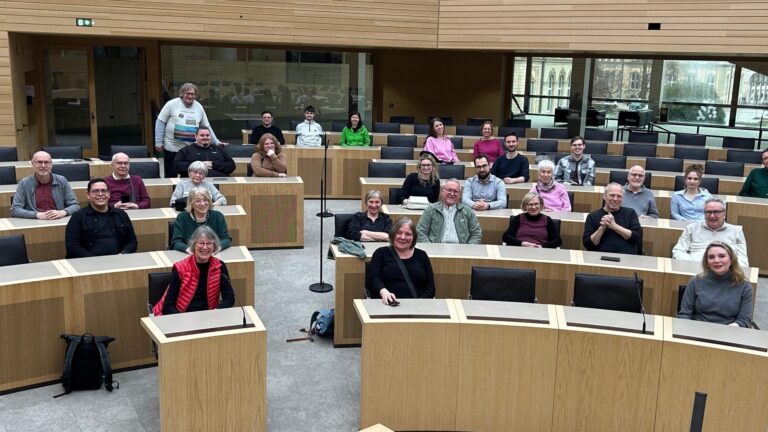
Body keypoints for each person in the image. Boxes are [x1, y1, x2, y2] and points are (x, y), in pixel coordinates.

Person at [153, 226, 235, 316]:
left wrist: (216, 312)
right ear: (194, 245)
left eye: (209, 243)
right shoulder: (180, 268)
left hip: (209, 316)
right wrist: (184, 320)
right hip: (183, 316)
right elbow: (168, 307)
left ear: (214, 246)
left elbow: (229, 298)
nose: (205, 247)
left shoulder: (219, 266)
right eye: (201, 243)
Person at [155, 83, 226, 177]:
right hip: (172, 148)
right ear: (182, 94)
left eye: (192, 94)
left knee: (189, 175)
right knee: (171, 175)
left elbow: (206, 126)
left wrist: (216, 142)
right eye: (187, 93)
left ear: (195, 95)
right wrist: (158, 142)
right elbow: (160, 122)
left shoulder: (199, 107)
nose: (190, 96)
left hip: (189, 150)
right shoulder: (171, 104)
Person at [678, 241, 753, 328]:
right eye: (711, 257)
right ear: (707, 262)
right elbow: (685, 314)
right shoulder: (695, 281)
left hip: (729, 332)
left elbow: (744, 320)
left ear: (732, 259)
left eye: (722, 256)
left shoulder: (744, 286)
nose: (716, 260)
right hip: (697, 331)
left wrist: (729, 330)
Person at [369, 218, 435, 305]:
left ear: (413, 238)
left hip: (418, 307)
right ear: (393, 234)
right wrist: (383, 291)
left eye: (408, 234)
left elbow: (431, 288)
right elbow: (374, 279)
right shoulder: (381, 253)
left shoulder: (422, 255)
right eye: (399, 233)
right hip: (389, 304)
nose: (403, 237)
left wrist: (420, 303)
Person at [64, 179, 138, 258]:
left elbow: (132, 242)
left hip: (119, 260)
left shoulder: (121, 214)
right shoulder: (78, 217)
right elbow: (72, 247)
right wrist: (95, 260)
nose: (100, 194)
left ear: (109, 194)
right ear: (88, 195)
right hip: (88, 264)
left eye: (104, 191)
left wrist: (123, 254)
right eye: (95, 191)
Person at [672, 198, 749, 266]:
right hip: (695, 271)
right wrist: (692, 264)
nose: (712, 216)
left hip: (725, 274)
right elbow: (678, 251)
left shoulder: (736, 231)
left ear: (724, 214)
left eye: (716, 212)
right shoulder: (691, 228)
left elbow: (742, 259)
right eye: (708, 212)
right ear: (704, 214)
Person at [11, 151, 80, 219]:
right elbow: (15, 210)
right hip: (35, 223)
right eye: (39, 162)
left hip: (59, 220)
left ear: (51, 164)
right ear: (32, 164)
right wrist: (37, 215)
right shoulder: (24, 183)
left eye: (46, 162)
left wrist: (63, 212)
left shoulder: (62, 181)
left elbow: (75, 205)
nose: (43, 166)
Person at [583, 182, 643, 255]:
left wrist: (614, 226)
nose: (615, 199)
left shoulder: (630, 213)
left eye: (619, 196)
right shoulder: (592, 216)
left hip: (626, 257)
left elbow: (637, 238)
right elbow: (588, 245)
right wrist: (602, 227)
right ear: (604, 196)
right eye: (612, 195)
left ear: (623, 198)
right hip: (600, 257)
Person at [416, 179, 482, 244]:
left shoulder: (467, 211)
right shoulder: (431, 209)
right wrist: (429, 248)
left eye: (456, 191)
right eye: (449, 190)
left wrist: (469, 248)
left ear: (459, 194)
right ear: (442, 191)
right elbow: (421, 231)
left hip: (461, 249)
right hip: (436, 249)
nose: (452, 194)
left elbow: (476, 233)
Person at [170, 187, 231, 253]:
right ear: (191, 203)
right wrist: (188, 249)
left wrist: (217, 248)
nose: (202, 204)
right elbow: (176, 242)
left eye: (205, 200)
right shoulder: (182, 217)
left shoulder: (218, 216)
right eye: (198, 201)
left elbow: (226, 239)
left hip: (213, 254)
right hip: (190, 256)